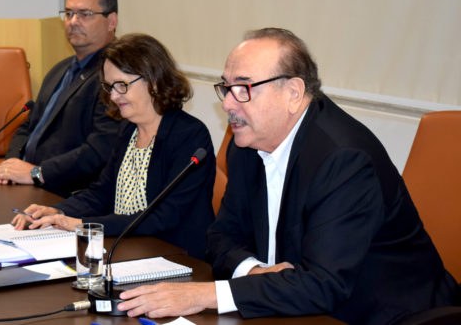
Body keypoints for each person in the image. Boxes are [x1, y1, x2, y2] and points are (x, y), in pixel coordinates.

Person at [117, 28, 458, 323]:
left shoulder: (344, 160)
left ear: (293, 93)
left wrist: (208, 295)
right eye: (227, 87)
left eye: (244, 88)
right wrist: (253, 272)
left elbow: (324, 284)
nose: (228, 104)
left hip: (380, 315)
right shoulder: (248, 143)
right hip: (291, 306)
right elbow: (220, 236)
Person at [12, 33, 216, 259]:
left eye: (122, 85)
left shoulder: (189, 136)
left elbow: (162, 217)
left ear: (154, 81)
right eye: (110, 87)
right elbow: (102, 193)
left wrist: (81, 224)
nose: (114, 96)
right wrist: (59, 211)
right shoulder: (128, 129)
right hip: (126, 249)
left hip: (176, 257)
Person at [0, 0, 121, 197]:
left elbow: (100, 149)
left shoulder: (115, 75)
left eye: (85, 14)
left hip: (69, 193)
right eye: (69, 13)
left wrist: (36, 173)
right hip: (29, 184)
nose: (73, 21)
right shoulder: (60, 70)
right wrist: (11, 165)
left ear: (111, 21)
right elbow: (28, 126)